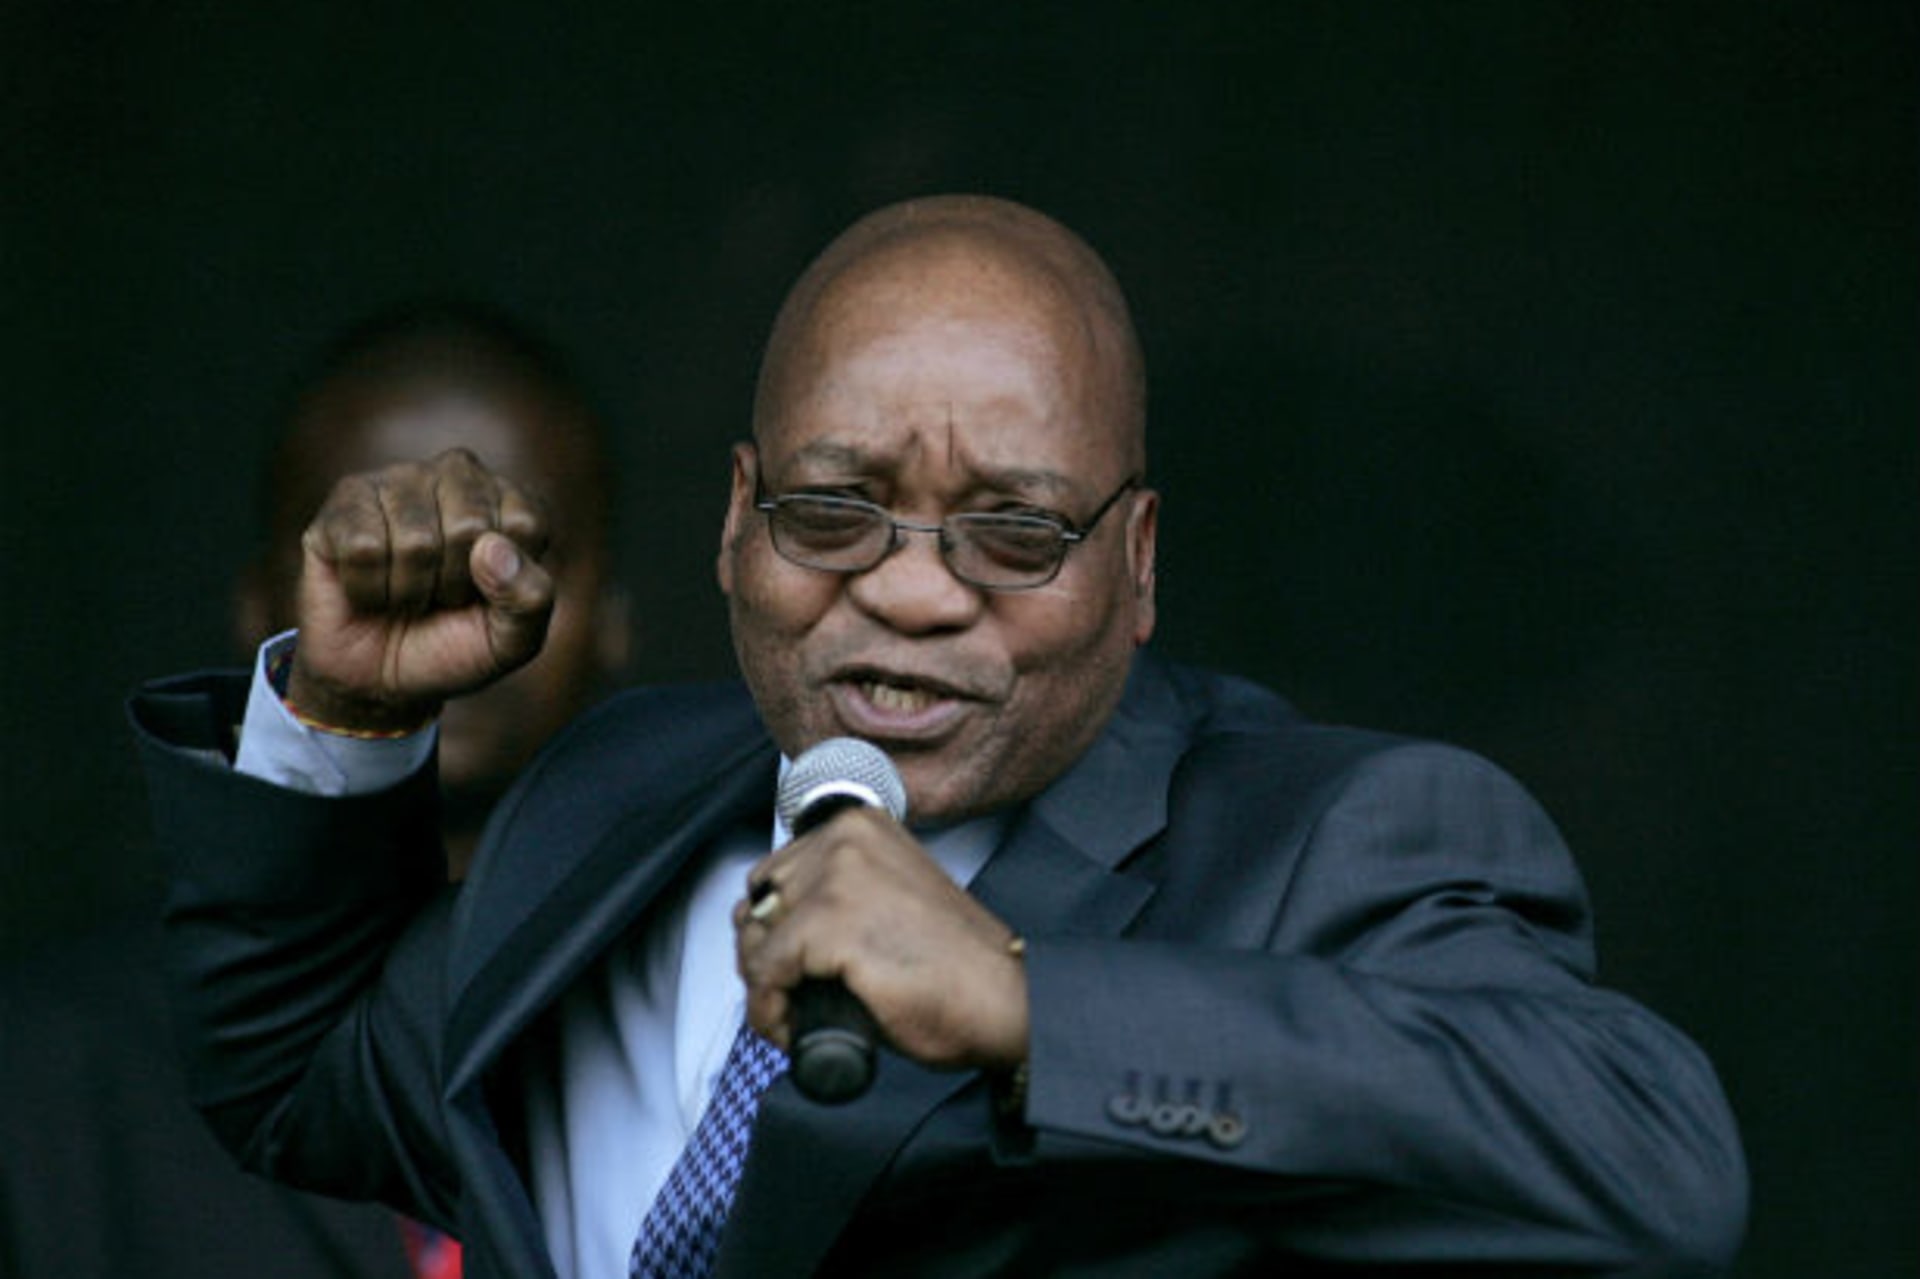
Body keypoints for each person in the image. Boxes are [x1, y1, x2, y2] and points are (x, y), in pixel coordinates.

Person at [129, 196, 1747, 1278]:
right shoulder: (618, 794)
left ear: (1139, 563)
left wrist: (1035, 1007)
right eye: (834, 512)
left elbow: (1653, 1165)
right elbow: (300, 1083)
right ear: (738, 519)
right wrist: (339, 719)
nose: (908, 591)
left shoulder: (1330, 837)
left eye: (1013, 532)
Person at [1, 300, 629, 1278]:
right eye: (372, 550)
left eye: (514, 552)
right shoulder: (44, 1070)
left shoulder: (712, 1015)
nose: (443, 603)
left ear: (614, 615)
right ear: (263, 606)